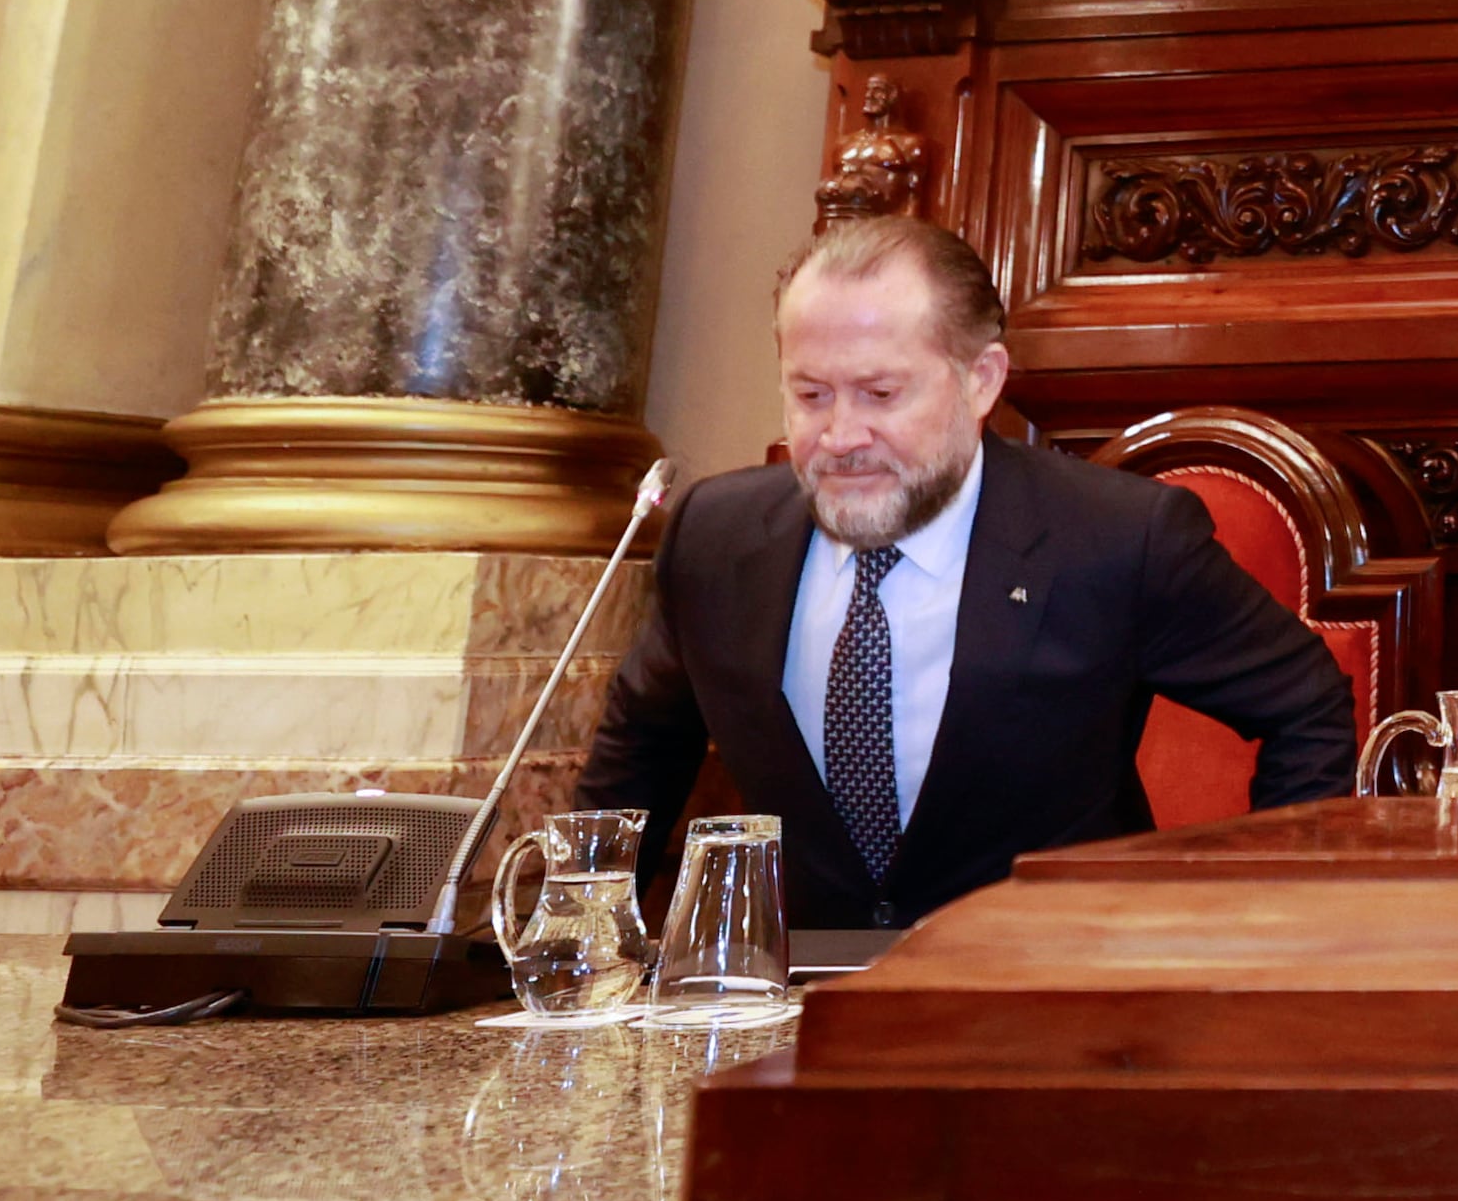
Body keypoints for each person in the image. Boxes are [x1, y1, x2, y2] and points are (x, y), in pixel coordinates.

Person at [578, 213, 1357, 930]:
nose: (841, 435)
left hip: (1052, 1004)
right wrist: (583, 938)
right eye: (811, 394)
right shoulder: (716, 538)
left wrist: (1266, 921)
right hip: (799, 1012)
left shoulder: (1117, 537)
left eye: (881, 393)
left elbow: (1306, 701)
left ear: (981, 380)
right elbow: (640, 751)